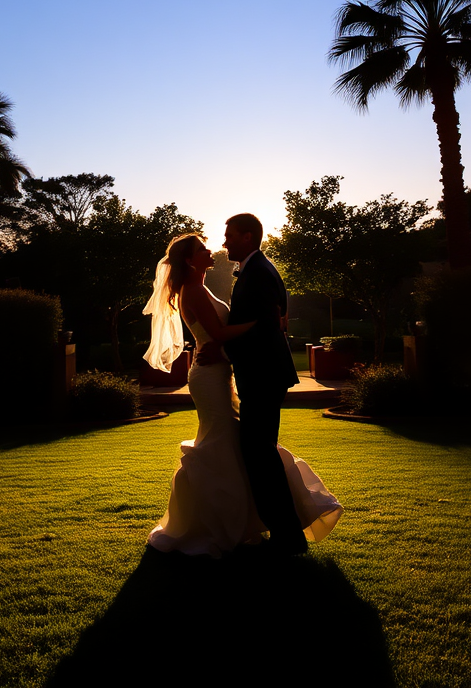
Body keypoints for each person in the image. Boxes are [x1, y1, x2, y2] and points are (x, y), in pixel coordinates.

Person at [144, 231, 341, 558]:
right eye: (202, 248)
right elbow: (219, 332)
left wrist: (259, 326)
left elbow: (222, 333)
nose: (212, 249)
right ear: (189, 260)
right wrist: (261, 322)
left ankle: (243, 521)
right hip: (209, 376)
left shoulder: (203, 286)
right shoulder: (193, 290)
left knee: (240, 445)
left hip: (220, 371)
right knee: (224, 441)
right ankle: (222, 524)